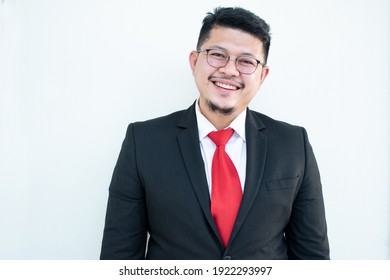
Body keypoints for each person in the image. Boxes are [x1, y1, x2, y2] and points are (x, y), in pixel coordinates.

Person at [100, 6, 330, 260]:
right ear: (194, 61)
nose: (230, 70)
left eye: (246, 61)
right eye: (218, 55)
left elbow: (313, 259)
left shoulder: (293, 144)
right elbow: (118, 259)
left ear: (262, 76)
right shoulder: (142, 142)